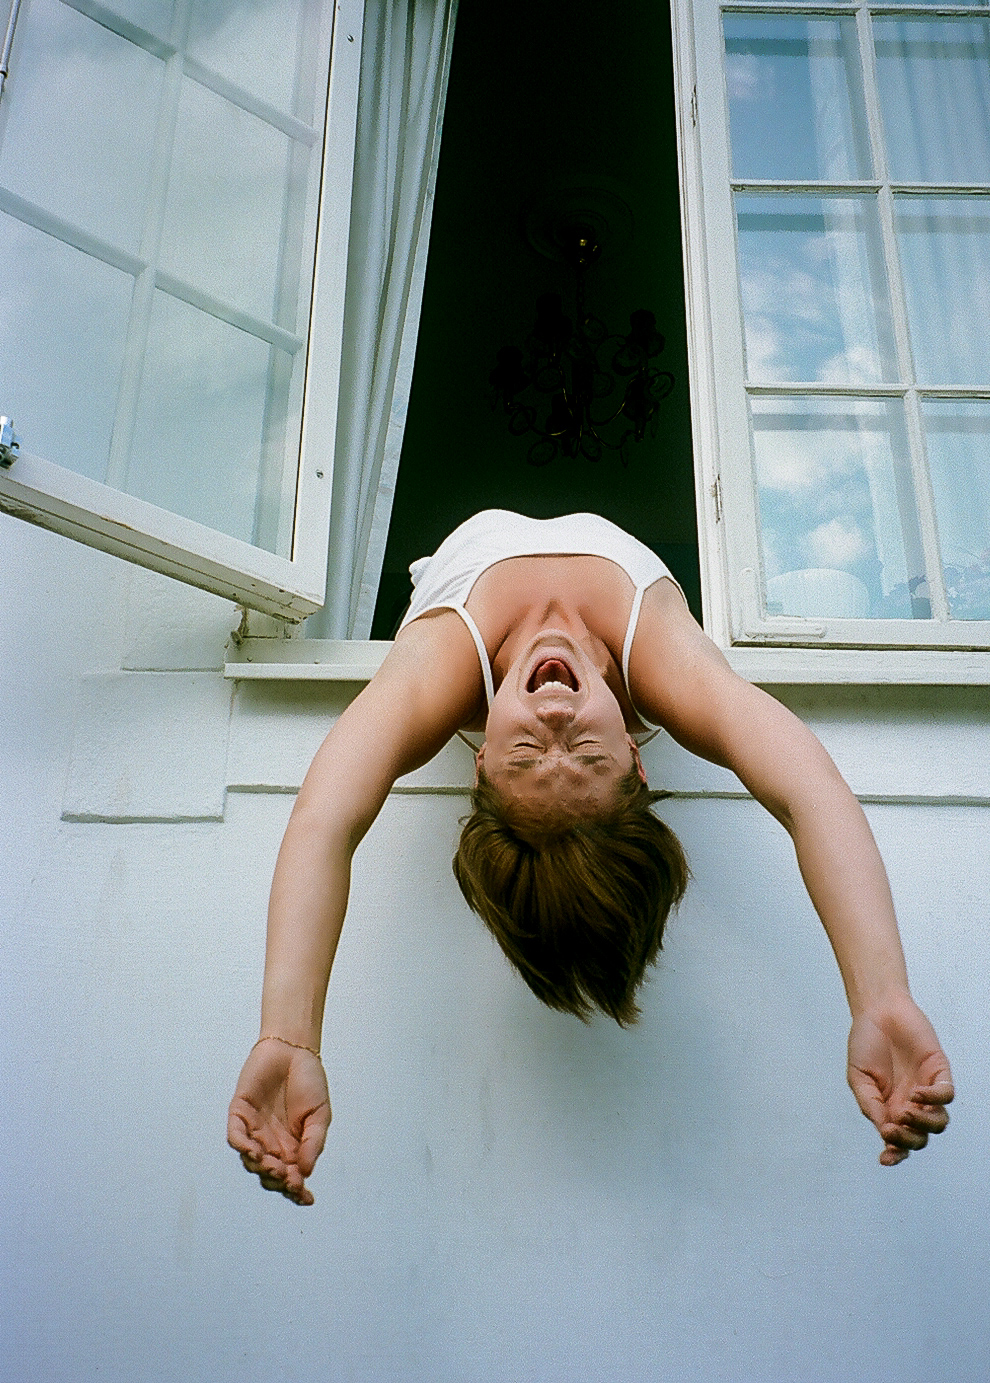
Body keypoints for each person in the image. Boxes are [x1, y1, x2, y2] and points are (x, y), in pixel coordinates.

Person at [228, 510, 953, 1204]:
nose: (554, 716)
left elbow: (326, 821)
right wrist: (881, 997)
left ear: (479, 764)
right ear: (635, 755)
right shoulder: (663, 667)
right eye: (584, 750)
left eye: (525, 750)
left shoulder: (441, 670)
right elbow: (807, 793)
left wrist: (289, 1034)